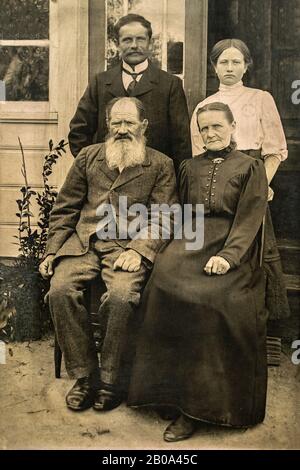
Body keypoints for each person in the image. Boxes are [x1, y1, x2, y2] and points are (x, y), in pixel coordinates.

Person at [128, 102, 268, 442]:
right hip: (190, 243)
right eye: (204, 128)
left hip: (232, 247)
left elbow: (250, 219)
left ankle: (196, 408)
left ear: (233, 126)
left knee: (209, 302)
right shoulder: (189, 167)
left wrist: (228, 256)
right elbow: (182, 214)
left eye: (217, 126)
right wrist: (167, 249)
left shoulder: (251, 167)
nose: (210, 133)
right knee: (161, 285)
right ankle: (165, 392)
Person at [39, 97, 178, 412]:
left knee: (119, 297)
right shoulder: (89, 157)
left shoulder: (159, 164)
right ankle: (85, 376)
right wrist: (52, 250)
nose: (123, 129)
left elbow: (165, 217)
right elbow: (65, 208)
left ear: (143, 126)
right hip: (84, 242)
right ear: (108, 125)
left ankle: (112, 380)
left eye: (129, 123)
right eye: (117, 122)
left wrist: (140, 250)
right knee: (59, 290)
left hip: (126, 247)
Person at [190, 38, 290, 321]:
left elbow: (275, 150)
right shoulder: (205, 105)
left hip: (252, 179)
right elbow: (200, 156)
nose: (230, 68)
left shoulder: (261, 98)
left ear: (246, 66)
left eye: (236, 62)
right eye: (223, 62)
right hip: (217, 185)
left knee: (255, 249)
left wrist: (260, 185)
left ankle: (262, 325)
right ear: (214, 67)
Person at [68, 13, 192, 171]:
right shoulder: (100, 82)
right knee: (120, 198)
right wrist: (93, 170)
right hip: (108, 179)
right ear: (117, 44)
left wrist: (169, 180)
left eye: (140, 39)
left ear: (150, 43)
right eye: (127, 40)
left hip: (153, 181)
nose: (134, 45)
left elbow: (181, 143)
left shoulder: (169, 85)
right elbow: (79, 132)